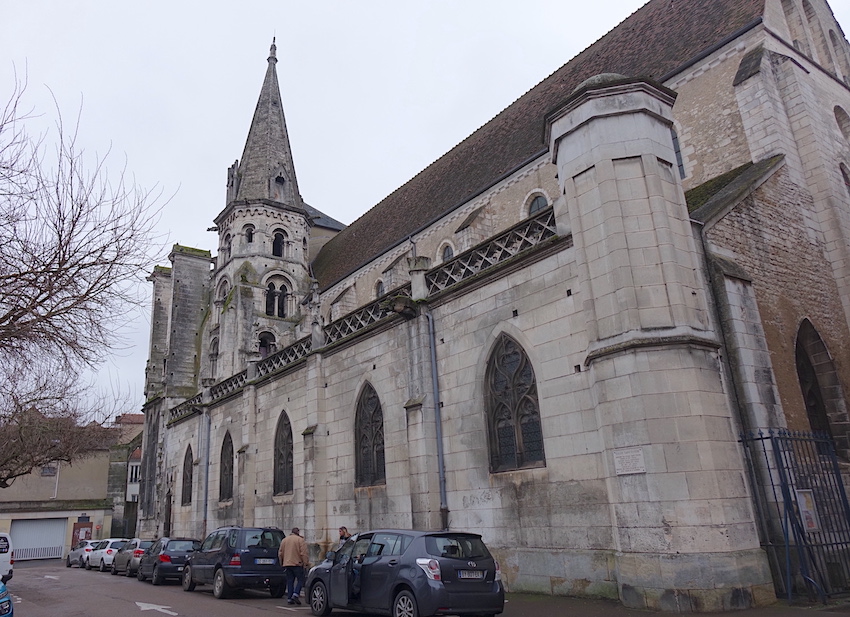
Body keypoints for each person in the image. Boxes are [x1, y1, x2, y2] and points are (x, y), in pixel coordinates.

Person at [278, 527, 310, 605]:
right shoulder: (300, 540)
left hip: (287, 563)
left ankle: (289, 598)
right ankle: (295, 594)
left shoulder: (284, 540)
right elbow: (303, 553)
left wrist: (282, 563)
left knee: (290, 581)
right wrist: (306, 563)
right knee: (301, 580)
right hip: (297, 564)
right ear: (298, 532)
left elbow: (280, 553)